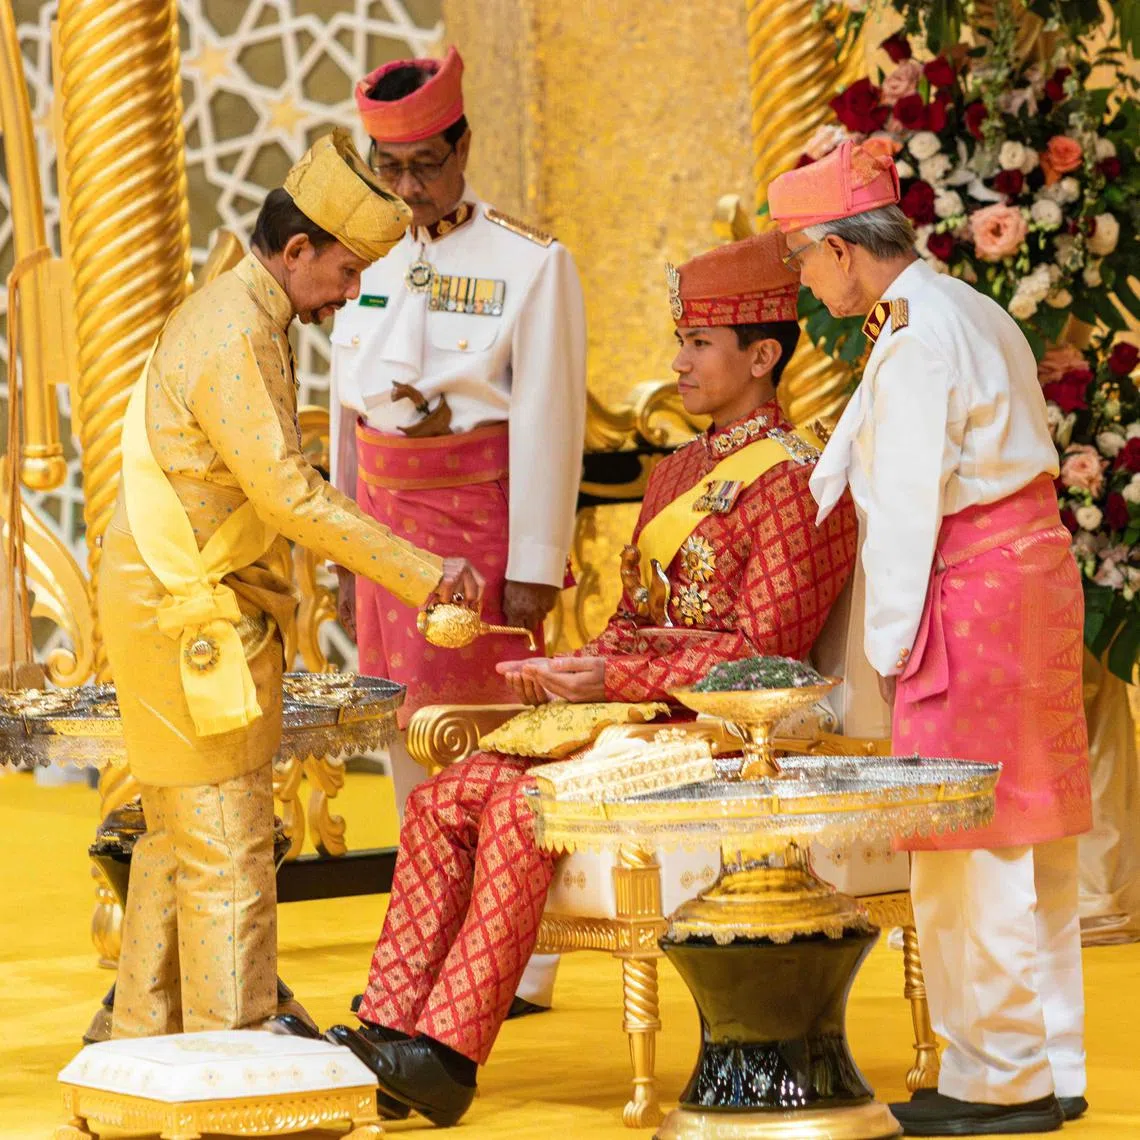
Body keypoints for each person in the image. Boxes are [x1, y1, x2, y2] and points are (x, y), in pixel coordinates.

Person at [319, 231, 859, 1128]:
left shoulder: (798, 483)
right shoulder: (679, 471)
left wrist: (611, 670)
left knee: (521, 807)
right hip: (631, 719)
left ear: (763, 355)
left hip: (728, 735)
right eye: (678, 340)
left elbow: (764, 656)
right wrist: (579, 667)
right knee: (447, 798)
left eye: (698, 345)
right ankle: (390, 1026)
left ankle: (448, 1053)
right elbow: (635, 615)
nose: (677, 363)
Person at [97, 130, 483, 1039]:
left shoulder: (245, 309)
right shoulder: (238, 329)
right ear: (297, 248)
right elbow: (290, 497)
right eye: (347, 272)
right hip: (189, 605)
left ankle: (141, 1051)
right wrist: (425, 575)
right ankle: (234, 1079)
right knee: (227, 845)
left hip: (177, 594)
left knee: (174, 838)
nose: (352, 295)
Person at [769, 140, 1092, 1136]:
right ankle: (1049, 1059)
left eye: (802, 260)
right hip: (1028, 579)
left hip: (967, 593)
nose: (803, 281)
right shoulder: (965, 307)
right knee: (1030, 835)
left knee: (968, 842)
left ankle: (996, 1078)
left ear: (839, 250)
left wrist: (887, 647)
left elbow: (907, 507)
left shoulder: (913, 336)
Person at [329, 46, 587, 817]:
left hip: (478, 525)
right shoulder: (362, 258)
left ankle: (507, 924)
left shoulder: (530, 263)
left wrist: (537, 562)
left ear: (463, 146)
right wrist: (344, 555)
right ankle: (425, 896)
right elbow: (349, 411)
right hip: (379, 526)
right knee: (399, 721)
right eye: (390, 166)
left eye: (426, 165)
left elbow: (551, 418)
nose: (408, 187)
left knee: (485, 728)